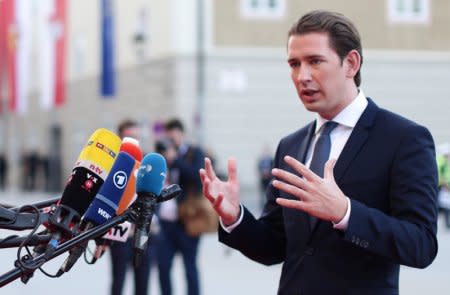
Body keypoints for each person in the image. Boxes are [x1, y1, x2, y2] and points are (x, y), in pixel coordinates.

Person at [199, 10, 438, 295]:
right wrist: (234, 216)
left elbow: (421, 245)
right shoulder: (291, 146)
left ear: (350, 63)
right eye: (294, 64)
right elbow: (274, 247)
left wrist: (345, 213)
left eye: (315, 61)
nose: (302, 76)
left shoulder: (403, 139)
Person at [157, 118, 204, 295]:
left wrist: (176, 159)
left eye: (174, 136)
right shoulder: (162, 157)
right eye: (168, 137)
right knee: (162, 266)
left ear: (182, 135)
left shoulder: (194, 153)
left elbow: (196, 178)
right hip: (166, 222)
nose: (171, 141)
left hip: (188, 219)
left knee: (190, 268)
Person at [109, 119, 156, 295]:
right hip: (120, 234)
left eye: (137, 137)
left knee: (143, 283)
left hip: (144, 234)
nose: (135, 142)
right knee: (118, 281)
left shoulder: (148, 163)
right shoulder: (113, 165)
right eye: (130, 138)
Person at [257, 145, 274, 210]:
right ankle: (262, 206)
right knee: (262, 193)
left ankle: (269, 204)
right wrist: (262, 173)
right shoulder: (261, 160)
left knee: (268, 192)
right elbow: (258, 168)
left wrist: (269, 173)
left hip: (269, 179)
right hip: (263, 179)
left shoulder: (271, 159)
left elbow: (273, 167)